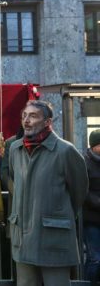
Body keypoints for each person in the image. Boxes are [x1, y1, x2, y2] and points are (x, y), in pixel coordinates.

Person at [8, 100, 88, 286]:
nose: (27, 120)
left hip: (53, 237)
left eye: (33, 116)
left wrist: (60, 216)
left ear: (47, 122)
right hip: (23, 236)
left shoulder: (65, 151)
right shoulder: (15, 149)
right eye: (24, 116)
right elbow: (15, 180)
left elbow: (79, 192)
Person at [84, 129, 100, 285]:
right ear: (93, 146)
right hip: (92, 220)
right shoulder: (85, 162)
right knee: (94, 259)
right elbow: (83, 190)